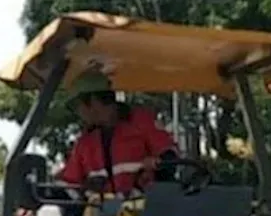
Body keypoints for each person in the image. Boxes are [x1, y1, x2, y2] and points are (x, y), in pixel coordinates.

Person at [58, 68, 181, 196]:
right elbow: (69, 185)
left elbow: (169, 156)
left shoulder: (142, 121)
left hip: (147, 211)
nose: (77, 113)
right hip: (102, 213)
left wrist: (154, 170)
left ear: (93, 101)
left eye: (76, 106)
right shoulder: (84, 143)